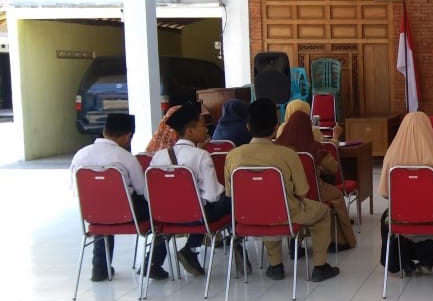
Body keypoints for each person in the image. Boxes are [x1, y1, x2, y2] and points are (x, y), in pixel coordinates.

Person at [223, 99, 340, 282]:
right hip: (286, 214)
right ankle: (320, 266)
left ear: (247, 126)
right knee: (323, 212)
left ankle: (275, 265)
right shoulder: (287, 154)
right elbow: (302, 192)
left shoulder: (232, 156)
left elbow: (230, 194)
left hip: (247, 216)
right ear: (276, 126)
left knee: (264, 207)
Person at [70, 113, 167, 281]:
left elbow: (74, 189)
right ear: (127, 136)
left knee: (102, 208)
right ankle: (152, 263)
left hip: (92, 214)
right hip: (127, 214)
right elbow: (142, 190)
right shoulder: (126, 158)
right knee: (165, 213)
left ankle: (100, 267)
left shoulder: (80, 155)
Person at [148, 102, 230, 276]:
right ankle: (193, 248)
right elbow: (213, 195)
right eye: (202, 126)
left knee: (174, 211)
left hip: (165, 216)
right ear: (190, 131)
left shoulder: (159, 156)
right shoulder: (201, 156)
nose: (206, 130)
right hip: (196, 217)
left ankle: (153, 261)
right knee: (229, 201)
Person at [377, 112, 433, 275]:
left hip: (400, 216)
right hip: (431, 217)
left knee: (388, 216)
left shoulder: (391, 155)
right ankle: (426, 261)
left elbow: (385, 193)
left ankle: (404, 261)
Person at [276, 111, 356, 250]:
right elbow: (333, 168)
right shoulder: (313, 148)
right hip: (312, 191)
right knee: (336, 195)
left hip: (284, 194)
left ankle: (293, 242)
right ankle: (340, 240)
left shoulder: (277, 147)